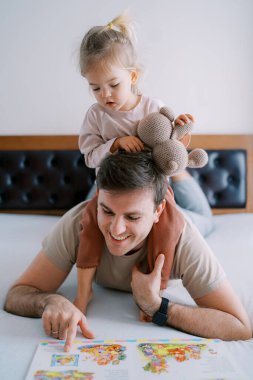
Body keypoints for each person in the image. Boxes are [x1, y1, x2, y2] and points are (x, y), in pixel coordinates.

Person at [4, 151, 251, 353]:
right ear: (99, 198)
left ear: (157, 211)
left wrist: (157, 307)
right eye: (108, 211)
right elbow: (17, 295)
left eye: (132, 216)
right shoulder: (79, 221)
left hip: (193, 217)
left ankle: (176, 168)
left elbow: (239, 327)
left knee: (206, 218)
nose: (116, 229)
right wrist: (51, 300)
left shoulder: (184, 238)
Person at [75, 13, 213, 313]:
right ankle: (83, 292)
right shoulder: (95, 116)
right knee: (87, 223)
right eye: (95, 88)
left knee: (171, 225)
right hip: (110, 188)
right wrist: (114, 145)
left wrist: (181, 126)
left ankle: (154, 291)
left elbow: (171, 138)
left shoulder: (152, 107)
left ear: (133, 77)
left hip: (150, 188)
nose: (105, 95)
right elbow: (88, 157)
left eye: (113, 84)